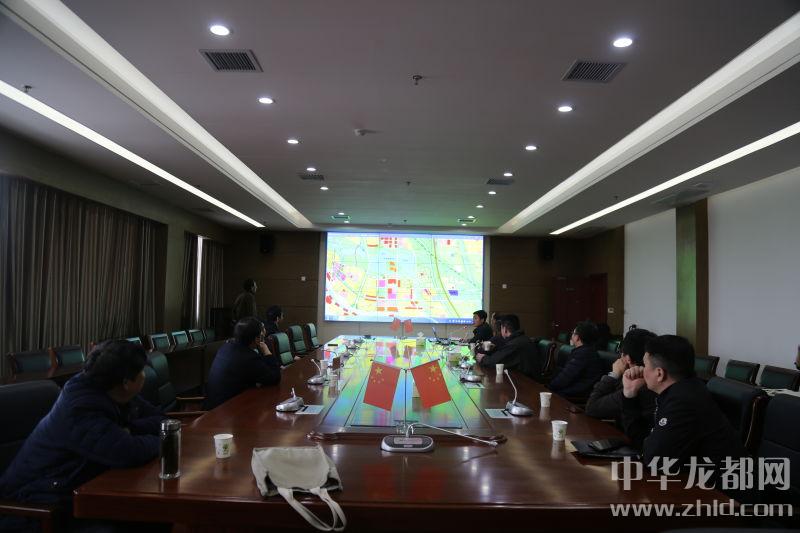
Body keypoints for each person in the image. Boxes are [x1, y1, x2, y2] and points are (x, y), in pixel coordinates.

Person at [0, 340, 164, 531]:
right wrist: (163, 441)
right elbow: (129, 452)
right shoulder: (80, 407)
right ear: (127, 382)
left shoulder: (114, 390)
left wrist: (128, 428)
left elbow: (161, 420)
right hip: (37, 508)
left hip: (76, 489)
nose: (144, 375)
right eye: (142, 371)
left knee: (154, 514)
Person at [621, 335, 747, 465]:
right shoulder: (686, 388)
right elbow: (645, 441)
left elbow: (654, 459)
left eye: (645, 364)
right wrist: (630, 393)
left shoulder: (683, 402)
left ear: (659, 373)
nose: (641, 370)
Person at [204, 317, 281, 410]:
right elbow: (275, 377)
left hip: (214, 407)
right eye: (261, 335)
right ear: (257, 338)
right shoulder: (248, 357)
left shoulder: (226, 346)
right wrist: (266, 350)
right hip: (226, 412)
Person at [586, 327, 657, 422]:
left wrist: (613, 375)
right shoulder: (657, 380)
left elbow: (591, 408)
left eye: (620, 353)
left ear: (627, 358)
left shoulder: (636, 385)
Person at [477, 315, 544, 380]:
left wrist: (483, 358)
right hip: (525, 377)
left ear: (505, 329)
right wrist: (495, 348)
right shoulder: (520, 339)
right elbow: (504, 356)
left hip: (527, 382)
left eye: (501, 328)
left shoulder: (515, 344)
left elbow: (496, 362)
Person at [548, 321, 604, 398]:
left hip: (577, 395)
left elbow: (565, 378)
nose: (572, 335)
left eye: (573, 333)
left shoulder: (583, 354)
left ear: (577, 337)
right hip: (578, 391)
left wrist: (549, 388)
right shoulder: (587, 351)